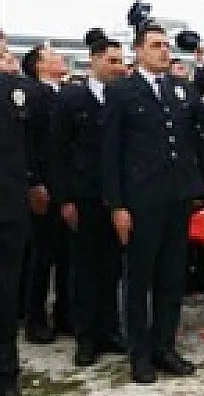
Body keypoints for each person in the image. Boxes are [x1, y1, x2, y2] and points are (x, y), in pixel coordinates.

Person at [101, 24, 204, 384]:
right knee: (139, 280)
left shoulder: (179, 89)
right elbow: (111, 153)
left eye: (166, 46)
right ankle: (140, 354)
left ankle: (165, 346)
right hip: (141, 200)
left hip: (178, 196)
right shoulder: (121, 91)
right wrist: (117, 205)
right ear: (138, 51)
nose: (164, 51)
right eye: (155, 46)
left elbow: (202, 125)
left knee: (171, 278)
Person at [50, 34, 129, 367]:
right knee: (84, 269)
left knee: (112, 267)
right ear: (94, 60)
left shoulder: (124, 98)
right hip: (84, 196)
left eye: (120, 61)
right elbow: (57, 151)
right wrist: (64, 199)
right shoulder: (71, 99)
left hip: (116, 198)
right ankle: (86, 337)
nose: (117, 67)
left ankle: (110, 329)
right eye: (111, 61)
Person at [1, 60, 49, 396]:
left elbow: (31, 144)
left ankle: (6, 375)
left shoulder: (15, 91)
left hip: (7, 209)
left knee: (5, 299)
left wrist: (34, 183)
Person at [20, 44, 72, 345]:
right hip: (44, 187)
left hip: (63, 187)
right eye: (52, 54)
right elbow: (29, 143)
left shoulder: (62, 93)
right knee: (42, 257)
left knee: (65, 255)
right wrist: (34, 182)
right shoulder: (33, 94)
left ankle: (64, 314)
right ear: (39, 65)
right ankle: (35, 318)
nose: (60, 57)